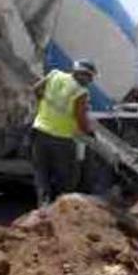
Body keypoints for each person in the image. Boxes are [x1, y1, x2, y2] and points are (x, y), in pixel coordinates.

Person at [31, 59, 96, 206]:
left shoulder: (54, 75)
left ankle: (43, 208)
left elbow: (36, 89)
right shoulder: (80, 91)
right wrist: (89, 132)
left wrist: (44, 104)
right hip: (61, 139)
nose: (89, 81)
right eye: (89, 77)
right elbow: (80, 117)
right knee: (67, 178)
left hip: (39, 132)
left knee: (42, 175)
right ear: (84, 75)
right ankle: (61, 210)